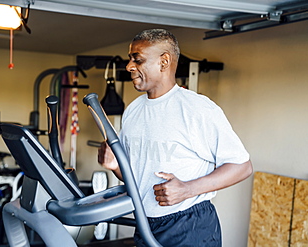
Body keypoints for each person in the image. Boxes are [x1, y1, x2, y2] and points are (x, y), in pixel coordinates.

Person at [98, 29, 253, 246]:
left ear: (164, 62)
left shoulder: (198, 109)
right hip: (146, 223)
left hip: (190, 225)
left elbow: (242, 166)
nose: (129, 67)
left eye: (138, 60)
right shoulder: (133, 110)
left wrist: (188, 189)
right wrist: (115, 166)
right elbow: (137, 179)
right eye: (130, 60)